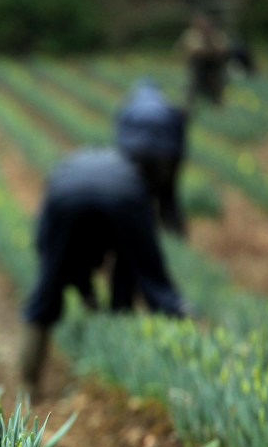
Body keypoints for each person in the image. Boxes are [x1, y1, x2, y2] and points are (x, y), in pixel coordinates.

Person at [19, 145, 190, 400]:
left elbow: (51, 248)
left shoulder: (69, 169)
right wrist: (109, 299)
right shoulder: (125, 172)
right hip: (124, 195)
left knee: (47, 290)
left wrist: (70, 284)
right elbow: (130, 263)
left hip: (65, 194)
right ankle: (183, 349)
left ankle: (28, 386)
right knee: (152, 280)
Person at [114, 79, 188, 237]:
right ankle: (176, 236)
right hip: (166, 156)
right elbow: (180, 131)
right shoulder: (165, 104)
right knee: (167, 196)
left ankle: (141, 236)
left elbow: (120, 137)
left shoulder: (130, 106)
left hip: (135, 154)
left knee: (138, 195)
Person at [176, 11, 231, 109]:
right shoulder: (191, 34)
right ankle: (190, 102)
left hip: (214, 65)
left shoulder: (216, 34)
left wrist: (210, 44)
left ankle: (217, 101)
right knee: (197, 75)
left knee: (215, 76)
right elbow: (192, 51)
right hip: (198, 64)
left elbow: (224, 50)